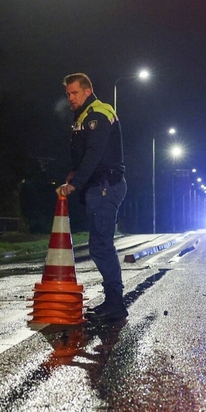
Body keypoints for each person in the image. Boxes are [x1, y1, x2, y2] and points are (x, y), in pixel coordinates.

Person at [55, 73, 128, 322]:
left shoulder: (97, 113)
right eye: (68, 94)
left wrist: (75, 183)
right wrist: (75, 174)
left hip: (105, 186)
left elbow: (95, 154)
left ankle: (115, 305)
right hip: (99, 187)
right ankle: (112, 302)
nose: (71, 98)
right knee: (100, 245)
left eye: (75, 93)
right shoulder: (84, 117)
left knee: (101, 246)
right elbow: (87, 155)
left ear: (88, 91)